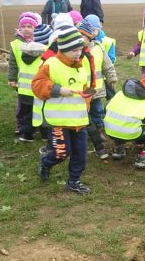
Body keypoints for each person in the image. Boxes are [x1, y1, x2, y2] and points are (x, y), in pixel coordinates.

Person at [31, 26, 92, 195]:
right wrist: (57, 89)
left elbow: (84, 87)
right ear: (63, 49)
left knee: (80, 155)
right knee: (61, 153)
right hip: (58, 121)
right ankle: (46, 161)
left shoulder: (80, 66)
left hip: (79, 121)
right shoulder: (51, 64)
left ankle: (74, 181)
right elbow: (36, 86)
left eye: (80, 49)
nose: (78, 53)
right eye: (74, 50)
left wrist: (88, 99)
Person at [76, 19, 118, 160]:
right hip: (82, 91)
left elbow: (108, 65)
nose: (79, 39)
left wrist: (111, 78)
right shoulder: (75, 52)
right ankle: (87, 132)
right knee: (83, 114)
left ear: (90, 37)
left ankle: (98, 131)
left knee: (97, 111)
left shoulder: (99, 49)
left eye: (82, 36)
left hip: (97, 90)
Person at [105, 75, 145, 169]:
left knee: (121, 123)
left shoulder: (120, 94)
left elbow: (106, 106)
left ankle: (118, 149)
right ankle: (144, 158)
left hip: (110, 130)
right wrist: (140, 140)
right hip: (128, 133)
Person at [8, 12, 43, 142]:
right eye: (24, 26)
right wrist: (12, 78)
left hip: (39, 82)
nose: (26, 29)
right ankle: (26, 132)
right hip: (23, 83)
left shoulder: (40, 42)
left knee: (39, 107)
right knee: (25, 109)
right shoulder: (16, 44)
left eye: (30, 26)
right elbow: (12, 63)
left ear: (35, 28)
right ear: (20, 28)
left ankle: (41, 129)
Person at [85, 14, 117, 99]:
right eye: (88, 30)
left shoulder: (107, 41)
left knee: (110, 96)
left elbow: (111, 59)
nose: (90, 32)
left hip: (104, 76)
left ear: (99, 28)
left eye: (92, 30)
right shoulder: (84, 43)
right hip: (90, 81)